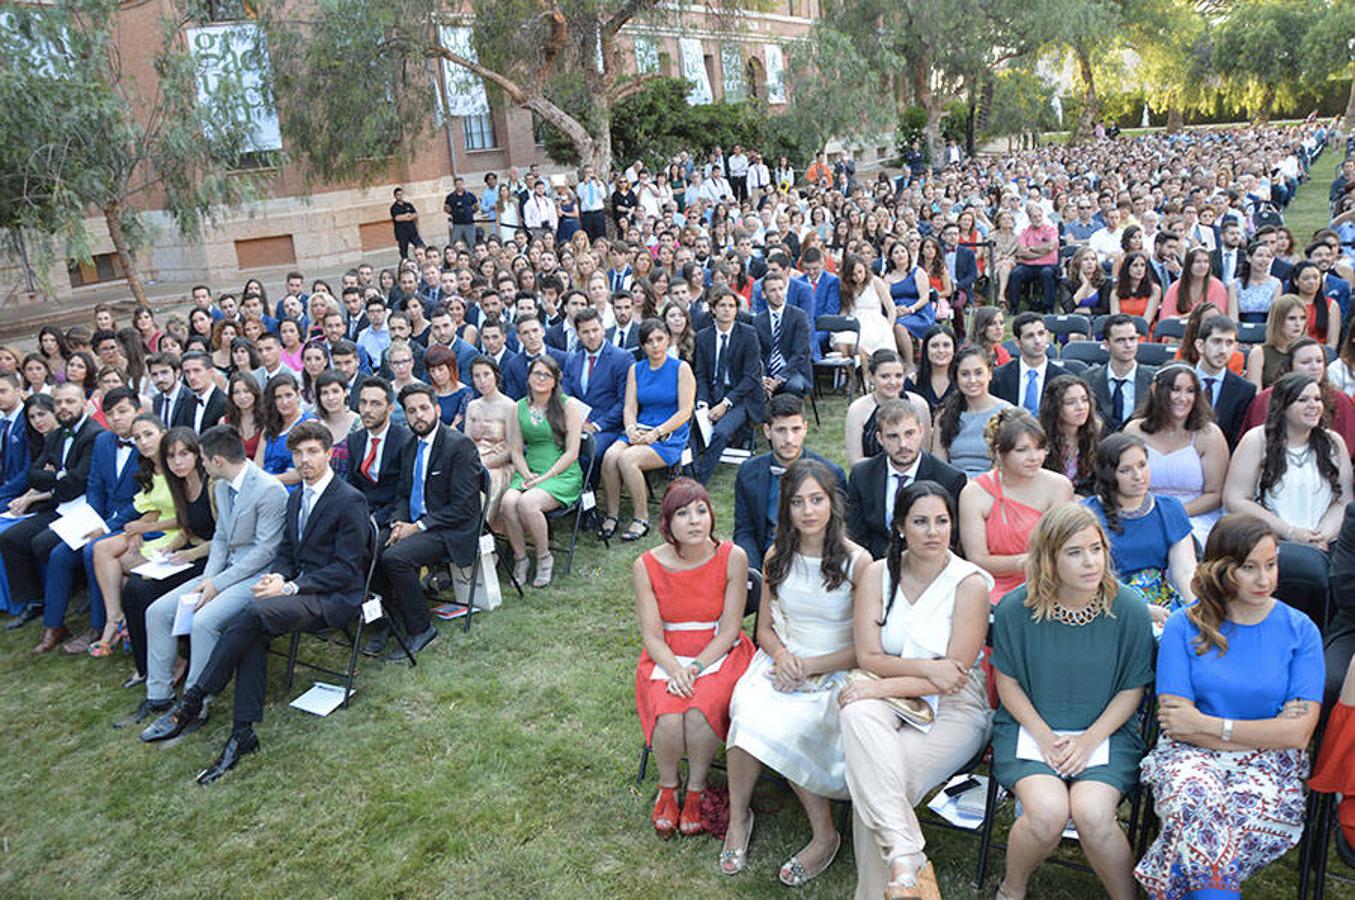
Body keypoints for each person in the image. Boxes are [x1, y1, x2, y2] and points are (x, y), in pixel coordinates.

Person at [140, 420, 372, 784]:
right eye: (298, 453)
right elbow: (284, 551)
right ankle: (242, 731)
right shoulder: (296, 496)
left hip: (334, 597)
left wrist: (292, 587)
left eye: (313, 452)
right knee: (251, 626)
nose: (304, 460)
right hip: (297, 589)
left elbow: (346, 570)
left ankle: (194, 698)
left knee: (250, 615)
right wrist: (278, 576)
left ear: (329, 454)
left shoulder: (349, 500)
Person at [1137, 513, 1323, 899]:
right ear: (1222, 569)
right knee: (1196, 804)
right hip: (1189, 758)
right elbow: (1177, 725)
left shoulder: (1300, 630)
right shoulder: (1183, 625)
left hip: (1271, 768)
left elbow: (1298, 732)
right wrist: (1265, 731)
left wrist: (1209, 725)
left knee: (1211, 825)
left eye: (1271, 565)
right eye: (1249, 568)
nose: (1264, 579)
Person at [989, 503, 1155, 900]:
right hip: (1030, 730)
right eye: (1075, 552)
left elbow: (1132, 688)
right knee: (1046, 815)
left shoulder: (1128, 608)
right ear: (1049, 557)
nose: (1090, 562)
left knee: (1093, 814)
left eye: (1096, 549)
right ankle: (1013, 889)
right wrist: (1045, 737)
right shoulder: (1016, 608)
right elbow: (1007, 681)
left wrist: (1086, 742)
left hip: (1106, 735)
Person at [840, 481, 993, 900]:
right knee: (858, 719)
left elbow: (954, 677)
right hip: (886, 691)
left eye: (942, 521)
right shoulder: (877, 573)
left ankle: (882, 889)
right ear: (901, 527)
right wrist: (915, 672)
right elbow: (868, 656)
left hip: (955, 706)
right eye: (921, 522)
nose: (933, 532)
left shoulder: (971, 583)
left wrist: (885, 683)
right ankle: (907, 858)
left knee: (883, 782)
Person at [721, 461, 868, 884]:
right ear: (785, 507)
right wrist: (783, 657)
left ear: (832, 503)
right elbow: (764, 628)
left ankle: (825, 836)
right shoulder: (775, 556)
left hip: (833, 667)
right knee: (745, 710)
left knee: (794, 724)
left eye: (816, 500)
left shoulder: (859, 562)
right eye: (797, 502)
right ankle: (737, 818)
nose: (808, 511)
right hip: (780, 659)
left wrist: (808, 668)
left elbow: (865, 648)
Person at [135, 425, 287, 734]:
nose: (201, 465)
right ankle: (159, 696)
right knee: (157, 612)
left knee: (203, 621)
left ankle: (194, 705)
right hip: (222, 572)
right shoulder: (219, 487)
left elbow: (265, 551)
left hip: (257, 576)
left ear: (217, 460)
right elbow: (220, 538)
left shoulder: (269, 490)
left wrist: (217, 585)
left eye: (203, 459)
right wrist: (208, 579)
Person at [634, 479, 755, 838]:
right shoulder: (645, 565)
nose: (695, 521)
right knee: (670, 715)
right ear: (667, 524)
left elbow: (730, 628)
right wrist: (675, 669)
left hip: (718, 649)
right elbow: (652, 635)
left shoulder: (733, 557)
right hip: (667, 651)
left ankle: (697, 790)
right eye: (683, 513)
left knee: (700, 712)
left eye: (701, 510)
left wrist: (696, 667)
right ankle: (668, 788)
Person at [369, 384, 485, 659]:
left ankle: (421, 628)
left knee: (395, 558)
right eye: (411, 411)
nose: (418, 416)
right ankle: (390, 618)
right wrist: (398, 522)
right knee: (370, 546)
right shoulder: (410, 444)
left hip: (450, 528)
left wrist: (417, 527)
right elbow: (402, 494)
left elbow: (464, 507)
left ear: (436, 409)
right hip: (414, 522)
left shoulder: (459, 446)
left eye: (423, 408)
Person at [113, 427, 216, 700]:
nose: (178, 461)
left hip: (211, 558)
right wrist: (172, 546)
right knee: (134, 587)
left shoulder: (212, 485)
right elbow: (186, 526)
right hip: (188, 552)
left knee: (144, 591)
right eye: (171, 456)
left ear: (197, 453)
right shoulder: (179, 484)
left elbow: (224, 537)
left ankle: (174, 663)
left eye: (184, 454)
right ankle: (149, 667)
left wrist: (188, 554)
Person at [1224, 372, 1352, 549]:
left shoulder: (1333, 443)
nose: (1313, 405)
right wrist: (1290, 532)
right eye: (1303, 400)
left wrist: (1319, 537)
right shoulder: (1256, 440)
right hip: (1266, 543)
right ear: (1283, 405)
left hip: (1324, 545)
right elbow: (1235, 499)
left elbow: (1344, 500)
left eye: (1317, 399)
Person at [960, 408, 1074, 603]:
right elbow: (977, 559)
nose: (1034, 457)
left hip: (1048, 582)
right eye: (1022, 450)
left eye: (1040, 448)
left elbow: (1060, 544)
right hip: (992, 586)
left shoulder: (1059, 486)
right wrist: (1028, 562)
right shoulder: (975, 493)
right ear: (999, 452)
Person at [87, 413, 177, 656]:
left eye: (149, 434)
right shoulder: (149, 466)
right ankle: (114, 617)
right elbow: (150, 506)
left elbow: (189, 516)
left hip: (177, 537)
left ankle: (124, 625)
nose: (143, 442)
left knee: (122, 564)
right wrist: (140, 523)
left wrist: (144, 527)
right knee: (102, 548)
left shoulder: (177, 464)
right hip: (156, 528)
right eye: (137, 438)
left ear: (164, 432)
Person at [599, 319, 695, 543]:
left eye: (660, 339)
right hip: (640, 428)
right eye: (649, 341)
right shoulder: (636, 369)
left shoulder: (681, 368)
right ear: (642, 346)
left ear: (668, 339)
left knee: (628, 459)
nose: (655, 345)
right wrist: (631, 428)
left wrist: (657, 432)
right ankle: (612, 514)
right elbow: (629, 406)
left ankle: (641, 518)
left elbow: (685, 412)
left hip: (669, 434)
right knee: (610, 456)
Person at [1085, 433, 1197, 621]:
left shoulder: (1169, 508)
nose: (1138, 476)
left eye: (1142, 465)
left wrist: (1197, 609)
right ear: (1109, 474)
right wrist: (1140, 610)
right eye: (1126, 470)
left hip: (1162, 602)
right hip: (1108, 604)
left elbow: (1185, 571)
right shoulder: (1087, 514)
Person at [732, 395, 844, 574]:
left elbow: (836, 530)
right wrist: (755, 570)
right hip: (765, 558)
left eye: (796, 429)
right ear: (767, 431)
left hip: (815, 561)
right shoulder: (749, 472)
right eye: (781, 430)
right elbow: (745, 530)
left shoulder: (830, 473)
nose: (789, 439)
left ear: (805, 429)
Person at [499, 356, 584, 589]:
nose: (541, 379)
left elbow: (573, 452)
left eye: (547, 375)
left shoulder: (568, 406)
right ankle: (521, 558)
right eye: (536, 373)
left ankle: (544, 557)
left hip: (561, 472)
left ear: (555, 380)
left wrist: (545, 478)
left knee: (528, 503)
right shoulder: (518, 407)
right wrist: (526, 475)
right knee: (507, 502)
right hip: (529, 471)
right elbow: (515, 450)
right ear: (528, 377)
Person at [847, 399, 967, 561]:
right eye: (893, 436)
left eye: (909, 434)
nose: (903, 444)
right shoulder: (862, 475)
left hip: (928, 564)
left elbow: (949, 539)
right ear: (880, 438)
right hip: (874, 562)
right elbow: (857, 534)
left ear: (921, 431)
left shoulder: (948, 479)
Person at [1124, 365, 1230, 547]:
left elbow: (1215, 494)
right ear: (1156, 390)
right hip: (1142, 512)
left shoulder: (1209, 435)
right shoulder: (1135, 430)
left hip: (1194, 517)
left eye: (1190, 391)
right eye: (1175, 390)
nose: (1183, 398)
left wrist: (1172, 514)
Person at [691, 290, 763, 484]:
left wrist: (726, 403)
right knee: (689, 424)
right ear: (713, 309)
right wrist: (703, 402)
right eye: (722, 305)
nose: (727, 310)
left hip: (739, 396)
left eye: (731, 306)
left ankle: (699, 481)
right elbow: (701, 374)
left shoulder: (748, 334)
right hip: (712, 393)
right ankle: (691, 471)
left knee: (721, 432)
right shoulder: (703, 337)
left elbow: (751, 377)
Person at [561, 308, 631, 492]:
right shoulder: (572, 361)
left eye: (595, 330)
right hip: (577, 424)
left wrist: (596, 425)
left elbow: (625, 403)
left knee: (587, 453)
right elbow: (565, 397)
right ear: (578, 334)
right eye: (585, 332)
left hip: (608, 427)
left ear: (603, 328)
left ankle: (586, 503)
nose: (591, 336)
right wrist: (576, 422)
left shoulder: (622, 359)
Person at [844, 350, 932, 466]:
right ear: (871, 377)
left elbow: (925, 451)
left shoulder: (918, 404)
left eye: (898, 376)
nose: (893, 382)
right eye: (885, 376)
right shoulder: (858, 409)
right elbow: (855, 460)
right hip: (871, 474)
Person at [932, 346, 1011, 475]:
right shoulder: (944, 414)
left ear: (990, 374)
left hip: (993, 486)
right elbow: (938, 464)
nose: (972, 380)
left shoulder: (1007, 413)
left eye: (978, 373)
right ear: (956, 378)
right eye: (965, 374)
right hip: (953, 485)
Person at [1191, 313, 1256, 449]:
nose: (1223, 350)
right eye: (1216, 342)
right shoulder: (1180, 381)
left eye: (1229, 343)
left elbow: (1237, 441)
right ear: (1200, 345)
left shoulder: (1244, 390)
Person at [1085, 313, 1157, 432]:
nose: (1128, 345)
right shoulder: (1088, 379)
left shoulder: (1153, 381)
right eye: (1120, 340)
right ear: (1106, 345)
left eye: (1132, 339)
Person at [990, 313, 1068, 416]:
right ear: (1017, 342)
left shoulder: (1063, 379)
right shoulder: (999, 377)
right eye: (1030, 336)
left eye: (1041, 334)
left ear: (1047, 335)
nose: (1037, 341)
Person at [753, 271, 814, 400]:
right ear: (764, 294)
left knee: (793, 386)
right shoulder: (758, 321)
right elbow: (757, 354)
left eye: (781, 289)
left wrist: (779, 379)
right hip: (768, 371)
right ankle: (762, 418)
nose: (779, 294)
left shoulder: (798, 316)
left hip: (794, 371)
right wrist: (764, 378)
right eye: (773, 290)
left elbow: (800, 353)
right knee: (752, 385)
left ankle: (790, 417)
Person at [1039, 374, 1102, 496]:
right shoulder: (1039, 438)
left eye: (1084, 400)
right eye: (1070, 402)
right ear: (1055, 407)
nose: (1081, 407)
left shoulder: (1098, 434)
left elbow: (1098, 482)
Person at [254, 373, 312, 492]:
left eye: (288, 395)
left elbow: (302, 472)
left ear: (298, 395)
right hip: (263, 487)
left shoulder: (309, 423)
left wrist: (269, 479)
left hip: (293, 490)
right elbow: (257, 464)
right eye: (278, 397)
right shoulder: (269, 426)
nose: (284, 402)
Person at [837, 253, 897, 362]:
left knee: (858, 347)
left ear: (865, 268)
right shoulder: (847, 287)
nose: (858, 277)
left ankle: (866, 376)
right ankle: (851, 376)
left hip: (874, 324)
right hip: (854, 321)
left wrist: (889, 327)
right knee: (841, 345)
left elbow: (891, 308)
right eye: (853, 274)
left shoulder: (876, 282)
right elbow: (845, 310)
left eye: (860, 272)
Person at [1244, 293, 1307, 389]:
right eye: (1291, 318)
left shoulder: (1310, 351)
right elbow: (1256, 397)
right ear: (1278, 321)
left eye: (1302, 318)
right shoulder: (1259, 354)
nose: (1298, 324)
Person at [1008, 203, 1061, 313]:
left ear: (1043, 216)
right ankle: (1014, 307)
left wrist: (1031, 248)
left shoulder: (1051, 230)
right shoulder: (1025, 231)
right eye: (1034, 216)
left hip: (1048, 265)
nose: (1037, 219)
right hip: (1028, 265)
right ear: (1030, 218)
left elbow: (1051, 246)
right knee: (1016, 273)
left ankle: (1048, 307)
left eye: (1039, 216)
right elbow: (1022, 251)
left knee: (1047, 273)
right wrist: (1043, 252)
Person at [1159, 245, 1230, 321]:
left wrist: (1186, 317)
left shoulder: (1218, 287)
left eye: (1206, 262)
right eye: (1197, 261)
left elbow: (1217, 316)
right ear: (1189, 265)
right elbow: (1167, 319)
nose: (1202, 266)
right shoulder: (1175, 287)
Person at [883, 241, 934, 344]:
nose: (900, 254)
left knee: (899, 327)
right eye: (896, 252)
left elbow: (925, 297)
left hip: (919, 312)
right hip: (897, 312)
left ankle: (909, 360)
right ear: (891, 257)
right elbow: (886, 299)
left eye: (903, 251)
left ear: (908, 254)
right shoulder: (888, 277)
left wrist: (911, 309)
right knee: (886, 326)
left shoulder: (917, 272)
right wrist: (895, 310)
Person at [903, 325, 955, 410]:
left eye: (946, 345)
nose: (941, 350)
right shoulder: (912, 382)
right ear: (926, 350)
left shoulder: (962, 381)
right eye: (934, 346)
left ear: (954, 349)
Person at [1109, 250, 1161, 324]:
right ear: (1127, 268)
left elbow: (1147, 320)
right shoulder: (1116, 292)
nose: (1139, 269)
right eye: (1135, 265)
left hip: (1144, 330)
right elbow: (1115, 318)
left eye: (1142, 265)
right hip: (1122, 330)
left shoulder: (1155, 289)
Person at [1056, 247, 1110, 318]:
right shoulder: (1066, 283)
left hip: (1096, 321)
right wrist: (1084, 285)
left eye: (1093, 259)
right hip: (1073, 322)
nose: (1090, 262)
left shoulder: (1105, 282)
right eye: (1085, 259)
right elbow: (1068, 309)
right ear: (1077, 263)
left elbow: (1105, 310)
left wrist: (1080, 310)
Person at [390, 187, 424, 261]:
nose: (400, 196)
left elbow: (415, 215)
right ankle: (406, 264)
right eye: (398, 195)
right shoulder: (394, 208)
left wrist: (406, 217)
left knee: (421, 246)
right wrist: (407, 216)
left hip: (412, 231)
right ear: (395, 196)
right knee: (403, 252)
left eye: (401, 194)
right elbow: (397, 218)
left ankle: (423, 260)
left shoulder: (408, 205)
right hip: (401, 233)